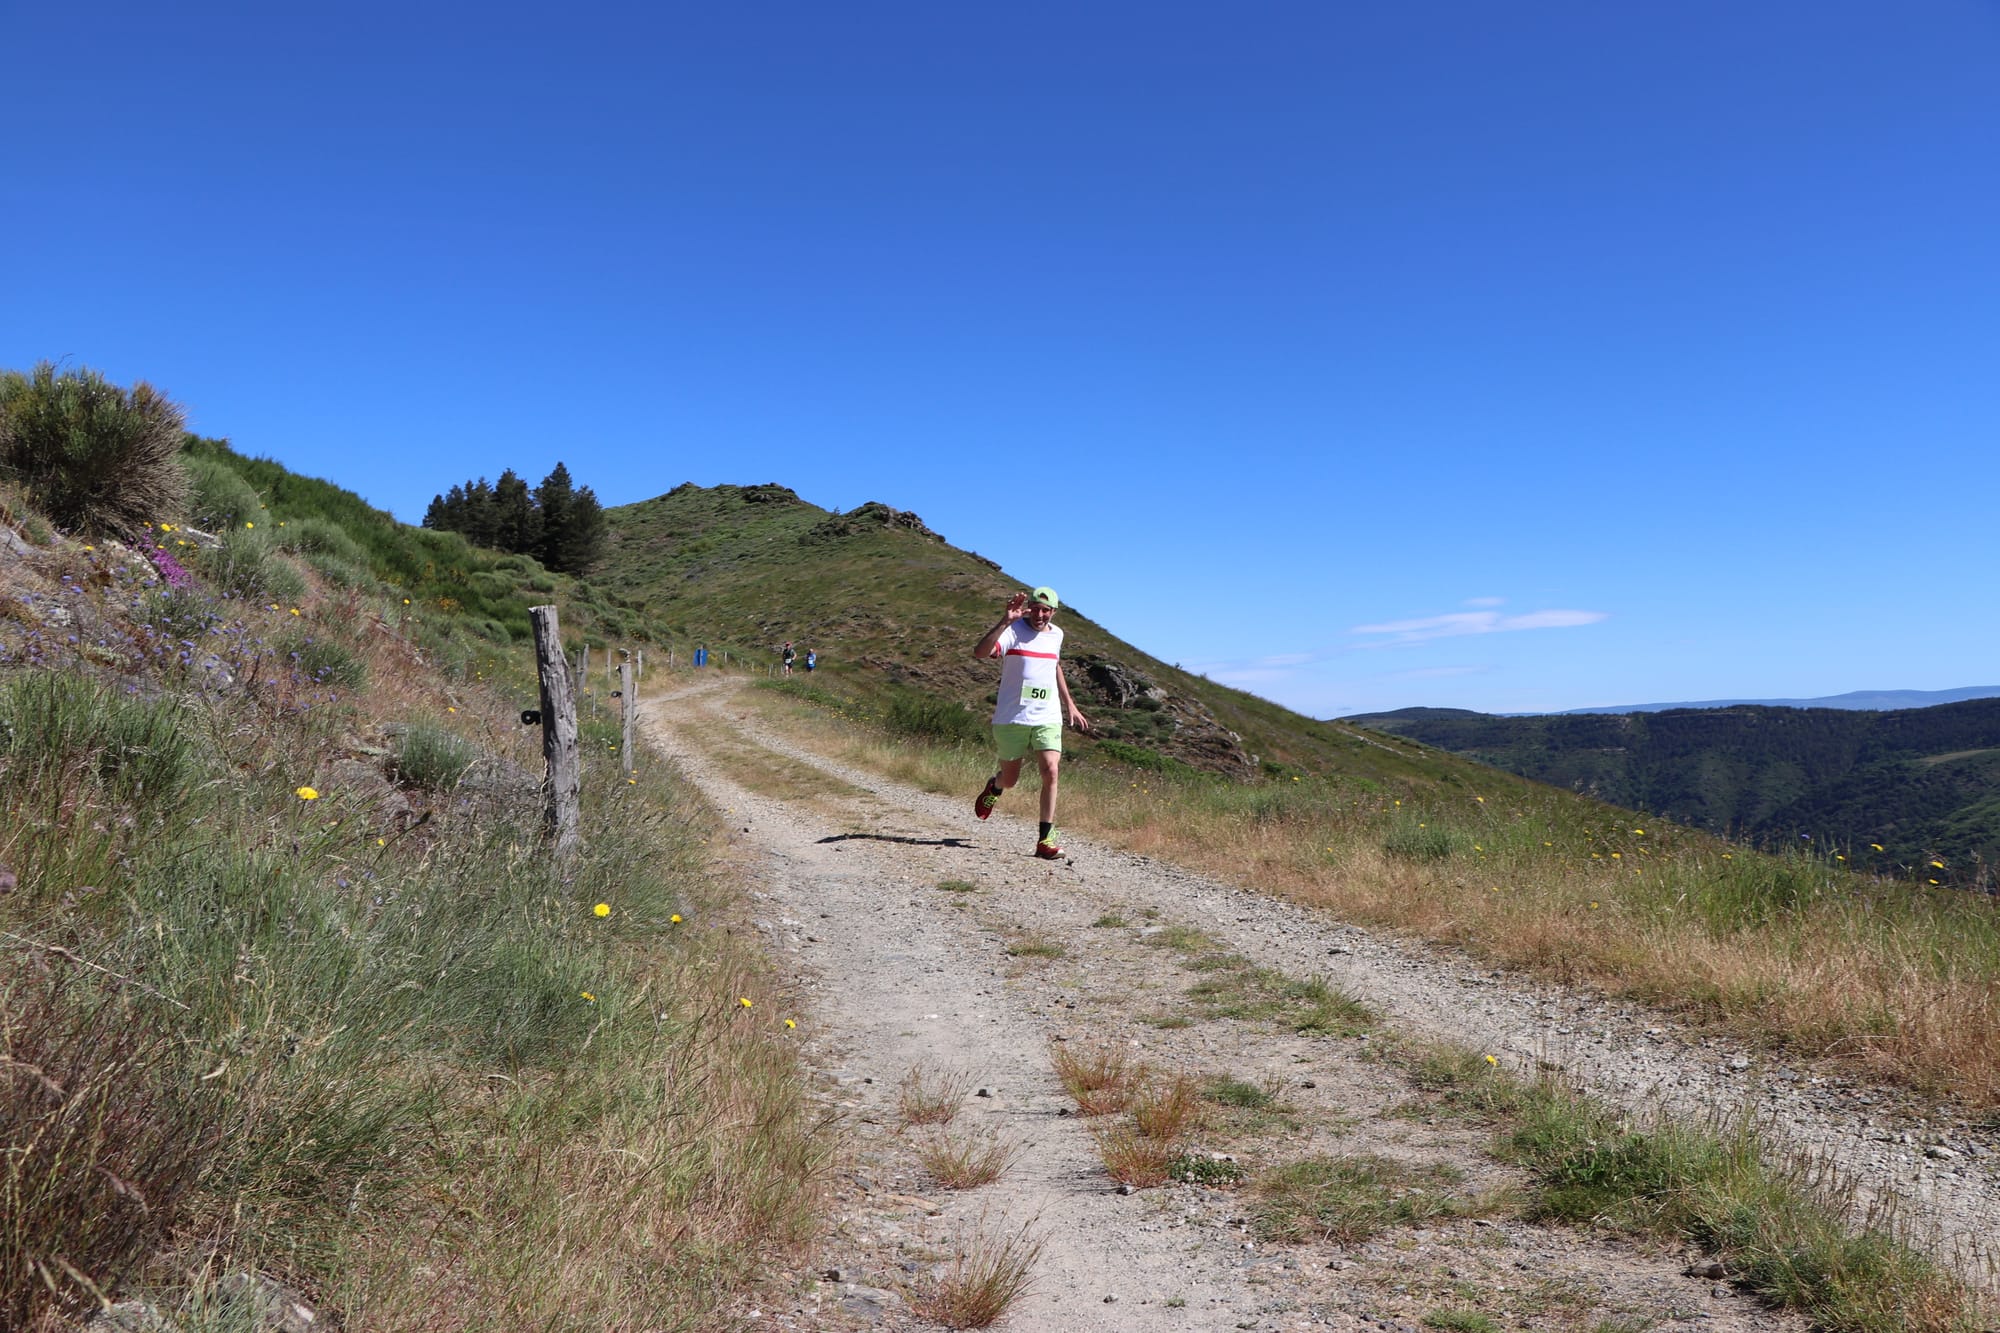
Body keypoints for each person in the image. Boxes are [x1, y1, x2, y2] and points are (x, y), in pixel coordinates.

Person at [971, 586, 1089, 859]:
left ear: (1053, 612)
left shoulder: (1057, 634)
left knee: (1051, 771)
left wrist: (1069, 703)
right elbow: (980, 653)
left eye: (1045, 610)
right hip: (1012, 717)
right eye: (1035, 608)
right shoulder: (1013, 631)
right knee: (1011, 779)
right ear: (1028, 609)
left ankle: (1045, 840)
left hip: (1046, 716)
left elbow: (1055, 666)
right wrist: (1004, 621)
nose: (1039, 614)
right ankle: (995, 786)